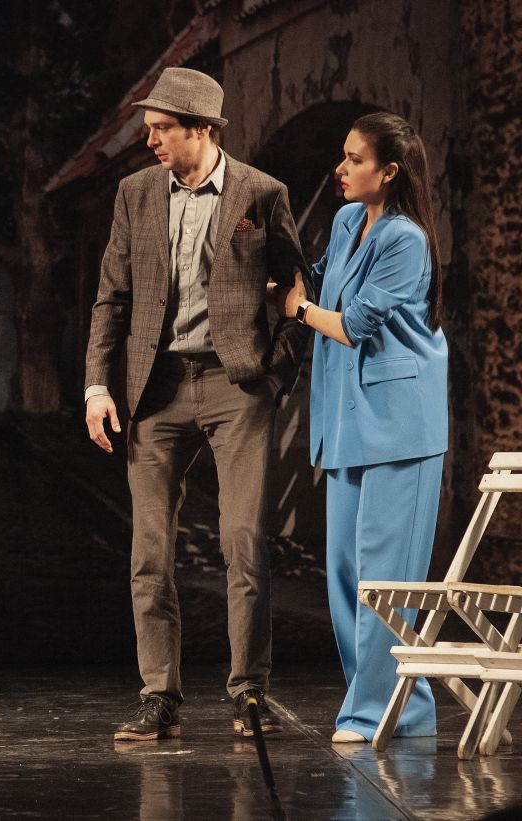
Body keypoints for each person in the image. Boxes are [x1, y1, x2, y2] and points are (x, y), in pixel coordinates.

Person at [85, 67, 312, 741]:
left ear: (203, 129)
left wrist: (274, 375)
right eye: (149, 129)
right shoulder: (135, 194)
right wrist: (97, 386)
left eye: (162, 129)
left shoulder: (261, 193)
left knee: (243, 542)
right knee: (149, 552)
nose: (150, 140)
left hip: (234, 386)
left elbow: (296, 290)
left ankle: (249, 692)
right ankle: (159, 695)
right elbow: (111, 296)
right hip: (154, 390)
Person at [273, 111, 448, 743]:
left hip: (400, 422)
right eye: (343, 155)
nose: (341, 169)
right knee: (345, 570)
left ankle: (373, 710)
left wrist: (299, 309)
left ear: (389, 171)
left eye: (355, 159)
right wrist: (286, 269)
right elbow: (324, 280)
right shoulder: (350, 220)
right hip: (347, 419)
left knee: (384, 576)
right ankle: (405, 706)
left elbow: (353, 325)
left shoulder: (405, 239)